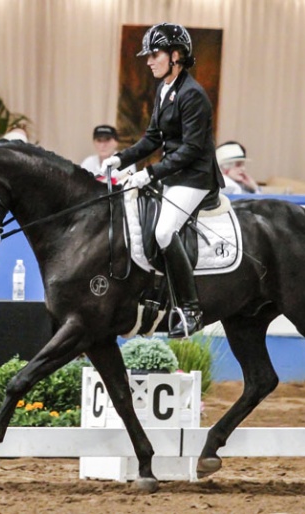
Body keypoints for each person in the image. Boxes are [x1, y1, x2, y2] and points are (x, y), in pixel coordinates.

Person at [101, 23, 224, 338]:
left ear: (176, 55)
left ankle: (191, 309)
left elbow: (192, 149)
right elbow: (153, 138)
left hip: (195, 177)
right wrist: (122, 159)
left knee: (165, 230)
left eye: (154, 54)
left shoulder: (193, 95)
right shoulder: (164, 89)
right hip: (174, 174)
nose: (149, 61)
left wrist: (149, 173)